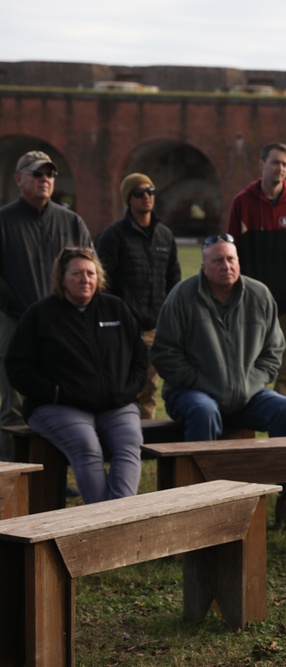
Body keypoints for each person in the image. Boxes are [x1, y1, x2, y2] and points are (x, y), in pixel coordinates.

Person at [151, 234, 286, 530]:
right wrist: (198, 382)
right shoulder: (182, 297)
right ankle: (201, 503)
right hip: (192, 393)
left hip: (248, 394)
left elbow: (274, 351)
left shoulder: (260, 295)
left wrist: (249, 384)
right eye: (218, 260)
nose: (226, 265)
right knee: (204, 411)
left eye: (231, 259)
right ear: (204, 265)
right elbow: (164, 353)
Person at [5, 248, 146, 503]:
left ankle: (119, 518)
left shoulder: (115, 309)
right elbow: (17, 367)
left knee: (129, 442)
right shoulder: (41, 315)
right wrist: (55, 392)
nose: (85, 279)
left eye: (91, 273)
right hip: (60, 406)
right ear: (61, 278)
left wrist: (127, 391)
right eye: (77, 273)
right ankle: (108, 522)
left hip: (116, 404)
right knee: (86, 445)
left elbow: (139, 358)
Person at [0, 151, 92, 460]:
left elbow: (90, 271)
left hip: (61, 328)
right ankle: (10, 479)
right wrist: (20, 309)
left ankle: (51, 473)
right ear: (19, 180)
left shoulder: (71, 222)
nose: (45, 180)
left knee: (56, 403)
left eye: (49, 174)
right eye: (37, 174)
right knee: (12, 407)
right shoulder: (4, 221)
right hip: (14, 324)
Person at [227, 142, 286, 399]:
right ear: (262, 165)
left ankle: (285, 437)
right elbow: (231, 251)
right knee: (250, 367)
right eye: (275, 163)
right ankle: (249, 429)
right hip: (251, 302)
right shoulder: (242, 202)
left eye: (285, 164)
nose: (280, 169)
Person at [96, 173, 181, 419]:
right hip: (124, 327)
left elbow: (173, 277)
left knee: (149, 388)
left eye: (150, 192)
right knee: (124, 385)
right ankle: (121, 435)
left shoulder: (164, 234)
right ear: (128, 199)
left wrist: (167, 314)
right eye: (139, 193)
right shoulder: (114, 235)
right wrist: (119, 317)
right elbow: (104, 281)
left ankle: (143, 442)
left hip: (156, 326)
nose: (146, 197)